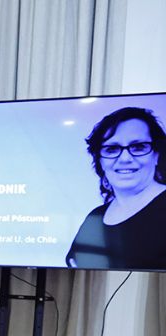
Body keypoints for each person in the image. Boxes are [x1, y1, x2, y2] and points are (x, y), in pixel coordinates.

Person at [65, 106, 166, 269]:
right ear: (100, 161)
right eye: (112, 149)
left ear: (156, 154)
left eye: (138, 147)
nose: (125, 158)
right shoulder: (95, 217)